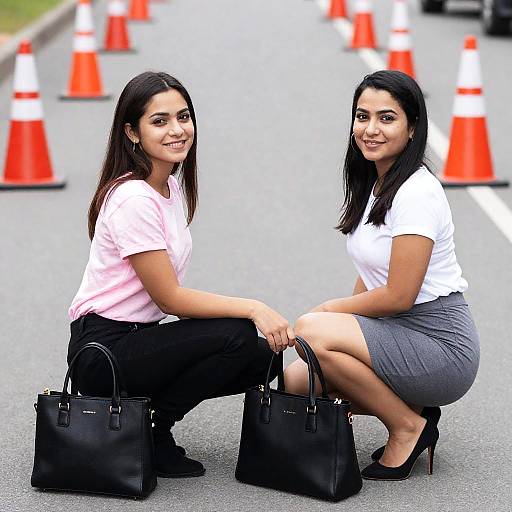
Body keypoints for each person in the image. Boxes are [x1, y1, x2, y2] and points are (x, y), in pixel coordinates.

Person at [67, 71, 295, 479]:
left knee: (260, 357)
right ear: (131, 133)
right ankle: (155, 431)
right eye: (160, 121)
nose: (177, 130)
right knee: (237, 336)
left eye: (183, 117)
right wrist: (253, 308)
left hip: (137, 340)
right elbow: (169, 299)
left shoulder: (167, 187)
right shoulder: (133, 198)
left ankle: (150, 425)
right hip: (103, 351)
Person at [284, 70, 479, 481]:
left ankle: (408, 428)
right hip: (400, 335)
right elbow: (372, 275)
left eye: (386, 118)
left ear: (412, 129)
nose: (370, 129)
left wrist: (330, 312)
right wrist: (337, 324)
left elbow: (398, 296)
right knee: (298, 380)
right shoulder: (375, 183)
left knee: (312, 332)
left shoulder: (417, 193)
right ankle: (413, 409)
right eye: (362, 116)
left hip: (440, 345)